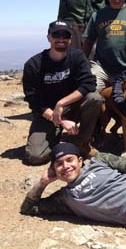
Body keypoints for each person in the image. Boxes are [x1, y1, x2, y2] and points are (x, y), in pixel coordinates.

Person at [22, 20, 103, 164]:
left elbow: (89, 84)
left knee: (94, 98)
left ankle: (82, 142)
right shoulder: (33, 65)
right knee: (35, 157)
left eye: (65, 35)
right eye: (56, 35)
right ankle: (55, 135)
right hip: (47, 114)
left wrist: (61, 103)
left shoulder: (77, 57)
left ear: (70, 39)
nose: (61, 39)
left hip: (72, 107)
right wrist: (61, 120)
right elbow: (34, 101)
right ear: (49, 38)